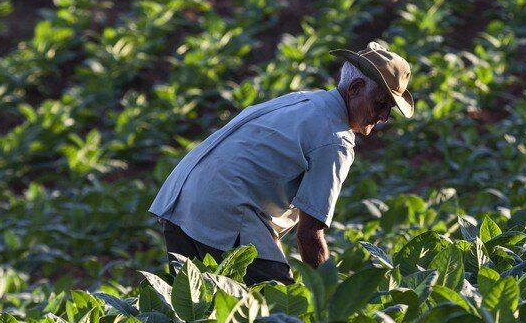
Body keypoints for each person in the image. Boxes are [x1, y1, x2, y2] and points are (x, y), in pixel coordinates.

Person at [148, 41, 414, 285]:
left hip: (179, 198)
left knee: (195, 308)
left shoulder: (303, 99)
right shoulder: (335, 139)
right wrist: (331, 300)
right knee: (280, 307)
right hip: (225, 210)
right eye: (381, 103)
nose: (384, 116)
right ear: (355, 89)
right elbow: (309, 236)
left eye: (389, 108)